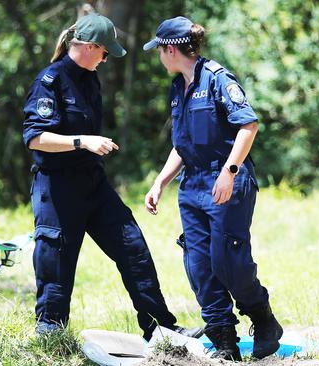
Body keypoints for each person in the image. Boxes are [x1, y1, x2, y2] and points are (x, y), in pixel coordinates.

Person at [22, 13, 201, 341]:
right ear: (90, 47)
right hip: (57, 188)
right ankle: (51, 335)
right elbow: (35, 138)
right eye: (105, 53)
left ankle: (160, 327)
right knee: (56, 265)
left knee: (133, 247)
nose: (106, 59)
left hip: (92, 183)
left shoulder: (90, 78)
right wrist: (82, 141)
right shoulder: (50, 81)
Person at [142, 16, 283, 360]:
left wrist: (230, 171)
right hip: (192, 186)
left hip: (226, 182)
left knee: (227, 261)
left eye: (159, 49)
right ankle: (224, 342)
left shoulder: (218, 79)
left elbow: (248, 126)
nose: (159, 57)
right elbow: (183, 143)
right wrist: (161, 181)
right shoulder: (179, 88)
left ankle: (263, 319)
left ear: (171, 49)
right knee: (200, 266)